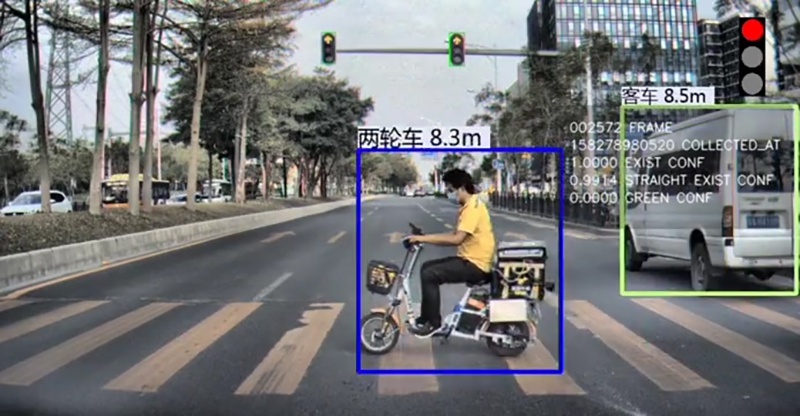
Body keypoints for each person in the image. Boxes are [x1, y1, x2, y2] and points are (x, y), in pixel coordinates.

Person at [405, 168, 496, 336]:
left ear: (461, 187)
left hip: (476, 265)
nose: (449, 193)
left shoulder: (472, 209)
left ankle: (433, 324)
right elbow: (454, 235)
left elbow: (457, 239)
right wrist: (424, 238)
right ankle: (425, 318)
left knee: (430, 273)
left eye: (450, 189)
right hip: (472, 260)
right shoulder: (470, 205)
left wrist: (423, 239)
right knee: (426, 268)